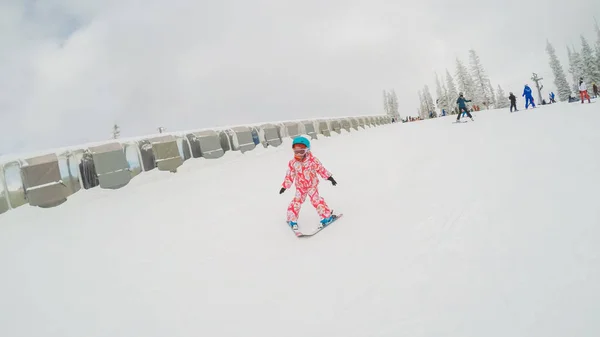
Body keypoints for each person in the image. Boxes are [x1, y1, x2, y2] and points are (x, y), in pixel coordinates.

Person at [279, 136, 338, 230]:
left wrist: (330, 178)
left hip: (312, 186)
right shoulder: (293, 163)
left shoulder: (313, 161)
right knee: (296, 202)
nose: (298, 154)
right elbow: (290, 175)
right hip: (300, 187)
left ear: (307, 150)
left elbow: (321, 169)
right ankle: (292, 219)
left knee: (316, 201)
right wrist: (285, 186)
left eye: (301, 151)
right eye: (296, 151)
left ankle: (326, 217)